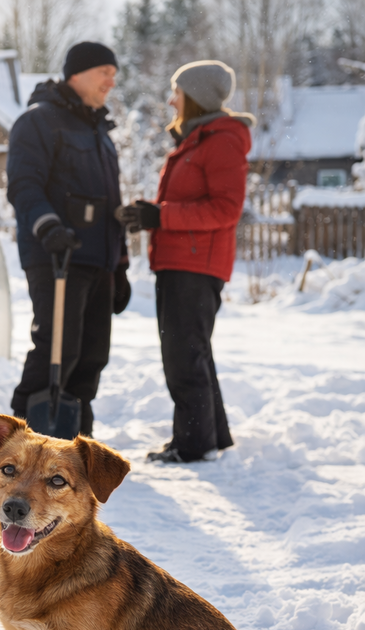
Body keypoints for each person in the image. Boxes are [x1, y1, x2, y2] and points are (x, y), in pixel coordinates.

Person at [116, 61, 253, 463]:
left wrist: (162, 217)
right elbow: (189, 203)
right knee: (193, 352)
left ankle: (193, 445)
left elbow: (226, 209)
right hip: (182, 262)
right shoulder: (198, 138)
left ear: (195, 97)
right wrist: (150, 212)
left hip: (196, 267)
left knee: (183, 356)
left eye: (177, 91)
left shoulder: (220, 141)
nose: (171, 98)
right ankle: (213, 436)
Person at [6, 42, 130, 438]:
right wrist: (48, 227)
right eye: (104, 72)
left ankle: (76, 443)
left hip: (99, 262)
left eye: (114, 73)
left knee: (92, 357)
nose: (112, 81)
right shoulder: (38, 122)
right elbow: (24, 185)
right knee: (56, 350)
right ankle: (18, 439)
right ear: (76, 73)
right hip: (57, 257)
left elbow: (113, 204)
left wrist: (121, 265)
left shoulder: (100, 132)